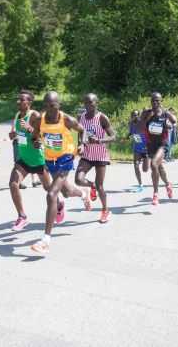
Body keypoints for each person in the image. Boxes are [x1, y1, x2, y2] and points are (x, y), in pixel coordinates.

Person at [30, 91, 87, 253]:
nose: (50, 109)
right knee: (67, 192)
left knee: (51, 194)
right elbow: (35, 136)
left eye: (53, 106)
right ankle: (83, 194)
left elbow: (82, 130)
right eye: (47, 106)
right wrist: (36, 142)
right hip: (50, 159)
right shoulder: (39, 120)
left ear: (59, 105)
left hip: (66, 158)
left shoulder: (67, 119)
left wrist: (81, 144)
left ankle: (45, 240)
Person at [8, 90, 52, 231]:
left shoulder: (34, 115)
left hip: (38, 159)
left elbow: (41, 134)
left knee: (48, 189)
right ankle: (22, 217)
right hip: (23, 159)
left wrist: (29, 128)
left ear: (29, 102)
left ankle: (59, 203)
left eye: (22, 100)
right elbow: (16, 135)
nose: (18, 102)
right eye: (18, 99)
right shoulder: (16, 115)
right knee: (13, 183)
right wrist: (13, 135)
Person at [75, 93, 116, 223]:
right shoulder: (81, 117)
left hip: (100, 156)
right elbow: (81, 133)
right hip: (87, 155)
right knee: (78, 180)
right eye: (86, 103)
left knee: (100, 186)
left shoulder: (102, 118)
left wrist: (99, 140)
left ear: (96, 103)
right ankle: (91, 186)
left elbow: (113, 136)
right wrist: (80, 145)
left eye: (91, 103)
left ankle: (105, 210)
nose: (88, 105)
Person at [139, 92, 176, 205]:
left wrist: (169, 124)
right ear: (151, 102)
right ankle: (168, 184)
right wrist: (147, 119)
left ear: (161, 101)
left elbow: (174, 122)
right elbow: (140, 128)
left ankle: (155, 194)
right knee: (159, 168)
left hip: (162, 144)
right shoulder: (146, 113)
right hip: (151, 144)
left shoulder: (165, 113)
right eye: (153, 100)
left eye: (158, 100)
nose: (155, 102)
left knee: (154, 164)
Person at [127, 110, 149, 192]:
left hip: (146, 149)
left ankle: (147, 162)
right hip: (137, 148)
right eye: (133, 115)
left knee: (145, 169)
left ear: (139, 116)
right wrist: (127, 136)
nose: (134, 117)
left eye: (136, 115)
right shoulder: (131, 124)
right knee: (136, 166)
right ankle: (140, 185)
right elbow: (131, 132)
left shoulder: (143, 123)